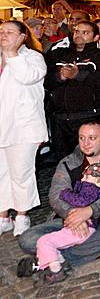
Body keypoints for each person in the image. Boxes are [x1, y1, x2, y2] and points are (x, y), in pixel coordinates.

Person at [17, 121, 100, 275]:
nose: (86, 143)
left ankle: (57, 259)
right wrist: (74, 215)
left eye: (92, 138)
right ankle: (97, 248)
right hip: (70, 221)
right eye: (82, 138)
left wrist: (90, 211)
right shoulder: (68, 162)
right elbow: (56, 194)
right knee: (28, 239)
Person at [20, 162, 100, 285]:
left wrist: (66, 193)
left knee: (45, 241)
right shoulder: (99, 190)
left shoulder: (91, 187)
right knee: (48, 242)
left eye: (86, 177)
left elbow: (80, 201)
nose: (82, 179)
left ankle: (56, 271)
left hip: (82, 229)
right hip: (79, 226)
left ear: (97, 178)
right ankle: (58, 262)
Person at [0, 20, 47, 237]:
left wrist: (11, 54)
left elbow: (27, 77)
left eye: (10, 32)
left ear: (22, 37)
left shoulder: (33, 58)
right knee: (2, 173)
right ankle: (3, 216)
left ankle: (21, 215)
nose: (4, 35)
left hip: (23, 128)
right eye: (1, 31)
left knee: (21, 172)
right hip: (2, 126)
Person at [45, 20, 100, 160]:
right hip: (61, 119)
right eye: (77, 31)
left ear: (96, 37)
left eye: (85, 33)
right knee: (64, 162)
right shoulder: (59, 54)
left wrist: (78, 75)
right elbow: (45, 80)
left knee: (90, 162)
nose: (79, 35)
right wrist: (60, 77)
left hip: (89, 117)